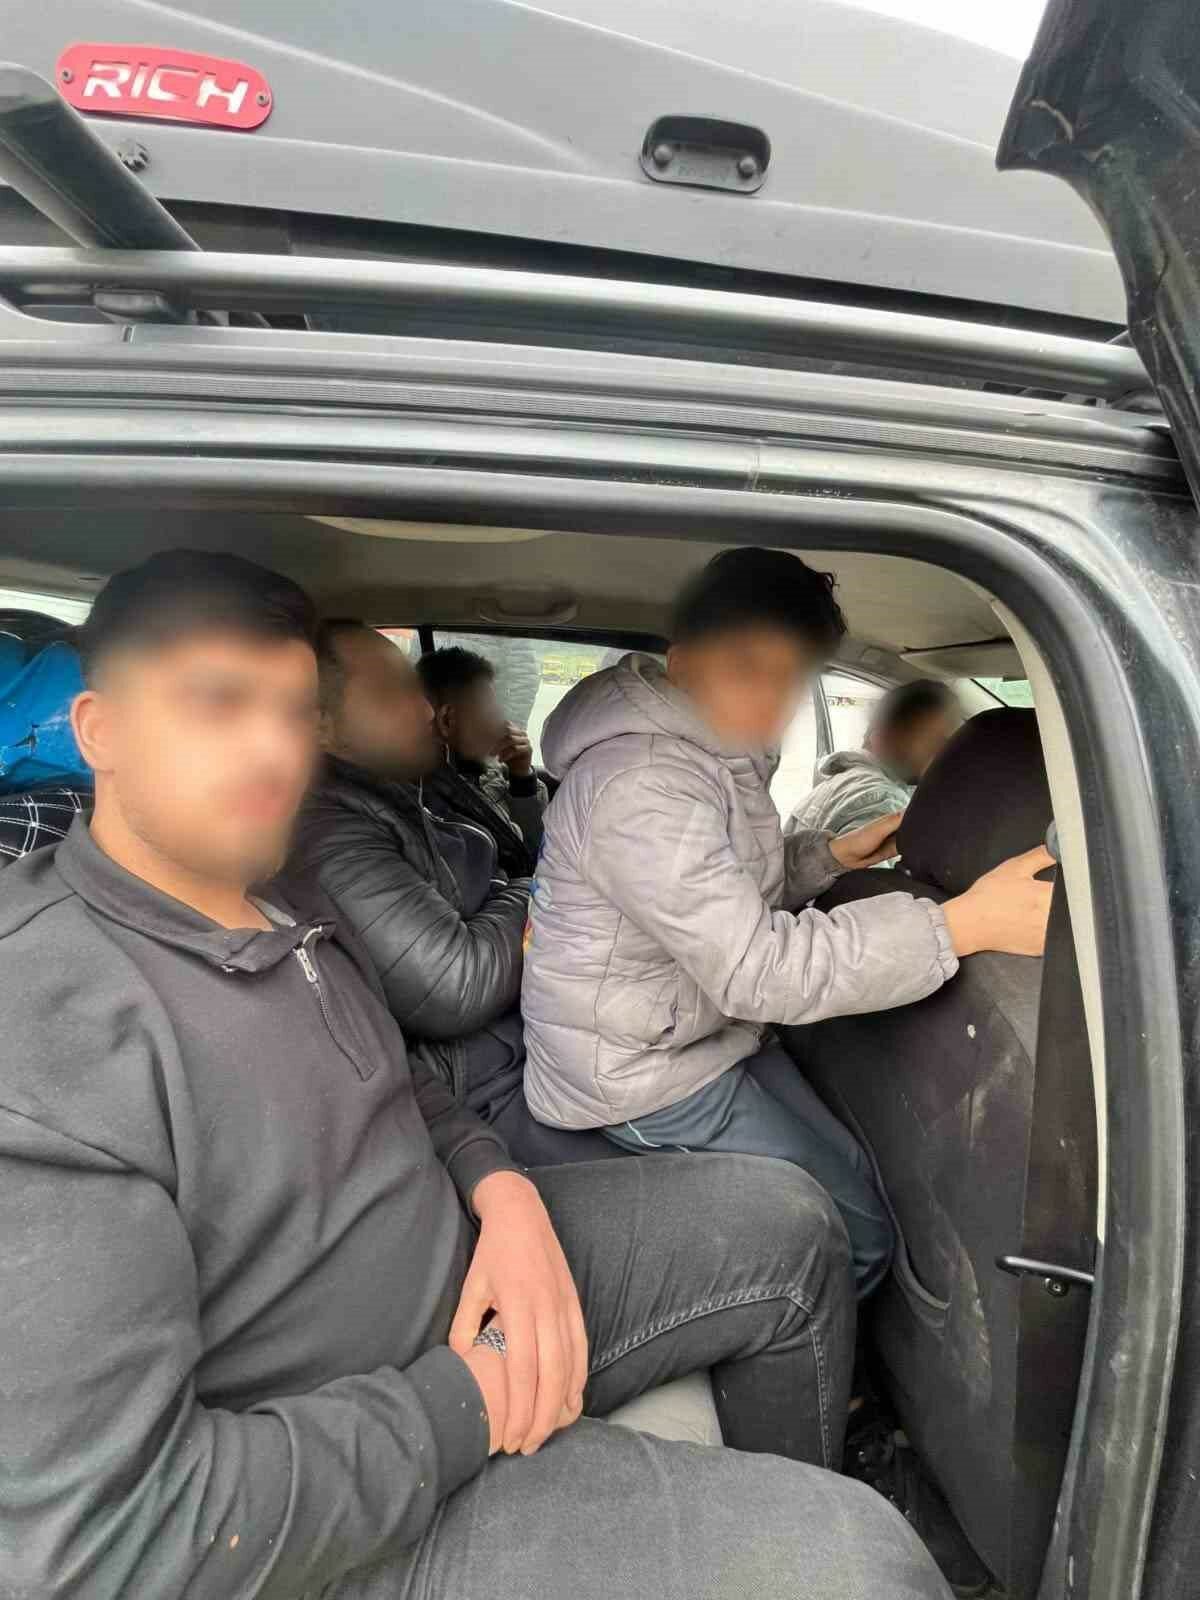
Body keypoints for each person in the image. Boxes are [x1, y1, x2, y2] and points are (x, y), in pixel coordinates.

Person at [0, 548, 952, 1600]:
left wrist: (501, 1193)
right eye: (218, 705)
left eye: (292, 711)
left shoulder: (272, 896)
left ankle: (787, 1481)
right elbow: (111, 1539)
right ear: (99, 732)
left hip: (465, 1277)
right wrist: (463, 1398)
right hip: (352, 1482)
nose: (272, 749)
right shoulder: (42, 1023)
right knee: (865, 1566)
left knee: (791, 1220)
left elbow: (396, 1079)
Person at [522, 547, 1055, 1298]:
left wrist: (827, 857)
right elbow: (757, 969)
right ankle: (788, 1349)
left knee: (855, 1174)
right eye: (748, 669)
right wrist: (958, 926)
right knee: (854, 1237)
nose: (773, 700)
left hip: (696, 1033)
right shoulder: (645, 783)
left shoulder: (711, 750)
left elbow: (723, 892)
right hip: (631, 1073)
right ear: (681, 661)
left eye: (791, 676)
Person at [417, 644, 547, 877]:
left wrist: (522, 778)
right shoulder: (432, 810)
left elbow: (538, 850)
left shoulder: (488, 774)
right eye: (489, 713)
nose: (500, 725)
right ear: (447, 720)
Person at [789, 678, 962, 845]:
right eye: (933, 740)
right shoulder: (882, 801)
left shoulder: (840, 782)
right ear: (881, 737)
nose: (945, 753)